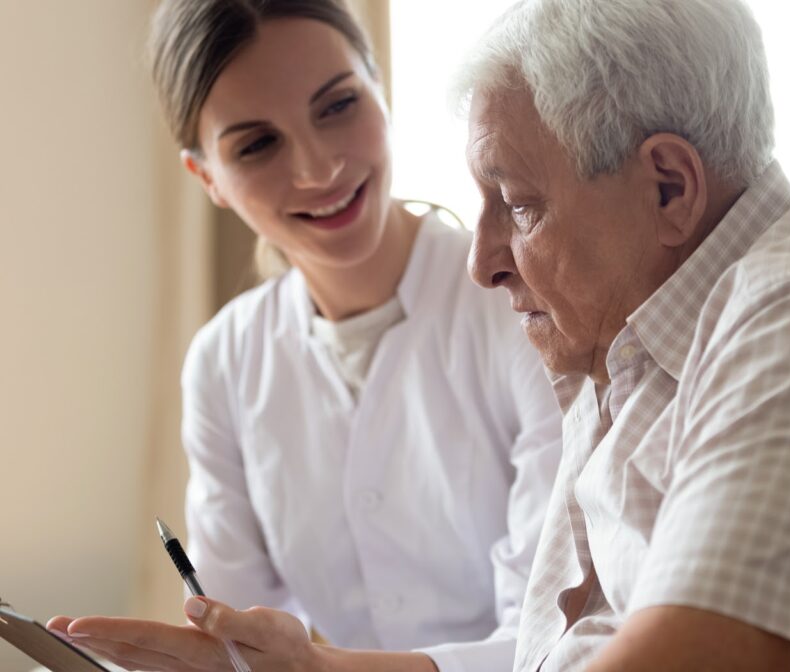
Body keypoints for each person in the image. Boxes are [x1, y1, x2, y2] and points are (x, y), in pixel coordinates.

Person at [49, 0, 790, 670]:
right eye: (256, 142)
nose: (481, 260)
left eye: (515, 205)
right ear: (206, 176)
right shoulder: (635, 361)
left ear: (668, 187)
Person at [47, 1, 562, 671]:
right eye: (258, 144)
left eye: (338, 106)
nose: (319, 169)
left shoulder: (526, 305)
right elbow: (239, 645)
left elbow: (559, 639)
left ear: (381, 88)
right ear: (208, 178)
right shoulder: (224, 365)